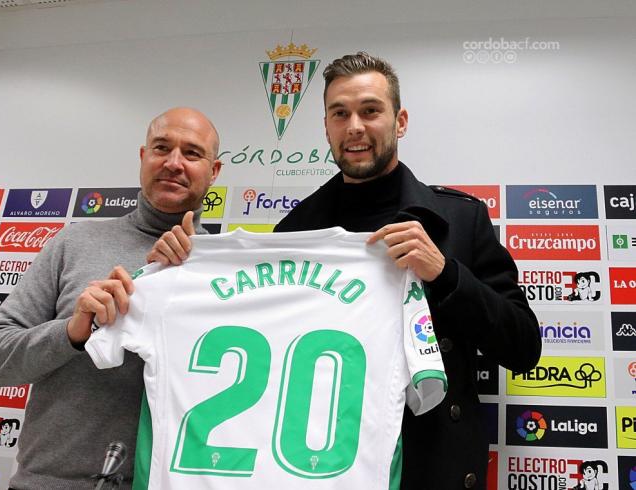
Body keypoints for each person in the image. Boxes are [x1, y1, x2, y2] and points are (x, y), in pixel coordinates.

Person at [148, 53, 541, 489]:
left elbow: (523, 347)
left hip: (427, 468)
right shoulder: (294, 230)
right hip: (323, 469)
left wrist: (446, 274)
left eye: (370, 110)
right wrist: (181, 274)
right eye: (340, 113)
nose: (354, 126)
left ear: (400, 121)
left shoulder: (459, 221)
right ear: (327, 127)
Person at [0, 107, 221, 489]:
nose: (174, 163)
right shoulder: (74, 243)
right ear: (143, 158)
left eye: (192, 153)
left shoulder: (228, 273)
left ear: (214, 171)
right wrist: (71, 333)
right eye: (161, 148)